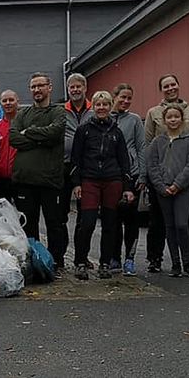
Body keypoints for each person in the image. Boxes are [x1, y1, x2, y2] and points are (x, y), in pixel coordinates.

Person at [144, 74, 189, 273]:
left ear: (179, 86)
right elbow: (148, 145)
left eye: (173, 84)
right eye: (166, 85)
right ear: (161, 90)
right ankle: (156, 258)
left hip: (188, 177)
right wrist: (155, 179)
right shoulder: (153, 112)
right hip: (162, 178)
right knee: (159, 221)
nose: (170, 88)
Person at [70, 91, 134, 281]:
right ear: (94, 107)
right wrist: (76, 183)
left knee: (110, 224)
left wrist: (127, 186)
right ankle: (80, 262)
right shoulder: (84, 130)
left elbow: (124, 161)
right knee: (87, 223)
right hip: (89, 180)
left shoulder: (117, 132)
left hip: (112, 180)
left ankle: (105, 263)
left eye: (105, 104)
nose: (102, 108)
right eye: (98, 105)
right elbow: (76, 159)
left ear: (110, 106)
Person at [9, 72, 67, 275]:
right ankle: (33, 262)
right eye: (33, 87)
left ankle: (56, 262)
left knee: (55, 224)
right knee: (28, 225)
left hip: (50, 180)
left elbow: (55, 133)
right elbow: (14, 139)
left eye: (40, 86)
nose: (36, 90)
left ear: (49, 87)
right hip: (25, 180)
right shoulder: (22, 114)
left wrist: (30, 133)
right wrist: (41, 137)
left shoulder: (58, 112)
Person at [146, 103, 189, 278]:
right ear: (164, 120)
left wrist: (177, 184)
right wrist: (161, 186)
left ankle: (188, 262)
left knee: (182, 224)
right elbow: (152, 165)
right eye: (169, 117)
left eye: (176, 116)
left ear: (182, 119)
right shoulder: (157, 141)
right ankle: (175, 263)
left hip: (182, 189)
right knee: (169, 226)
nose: (173, 120)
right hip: (163, 190)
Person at [110, 84, 146, 276]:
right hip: (110, 176)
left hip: (131, 175)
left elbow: (141, 147)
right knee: (113, 219)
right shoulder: (104, 118)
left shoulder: (134, 120)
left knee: (131, 219)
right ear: (114, 96)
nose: (125, 101)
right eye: (122, 97)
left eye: (129, 98)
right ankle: (114, 257)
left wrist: (142, 174)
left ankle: (129, 259)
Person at [61, 73, 93, 265]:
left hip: (87, 167)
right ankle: (61, 255)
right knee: (61, 214)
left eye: (78, 86)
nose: (75, 90)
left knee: (85, 216)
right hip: (65, 166)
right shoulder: (61, 111)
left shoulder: (93, 110)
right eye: (71, 87)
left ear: (85, 88)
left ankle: (82, 256)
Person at [0, 89, 20, 203]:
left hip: (20, 178)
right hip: (0, 179)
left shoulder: (24, 124)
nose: (8, 103)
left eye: (11, 100)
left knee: (24, 215)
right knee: (2, 216)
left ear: (17, 101)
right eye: (4, 100)